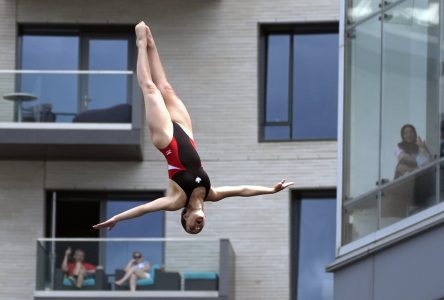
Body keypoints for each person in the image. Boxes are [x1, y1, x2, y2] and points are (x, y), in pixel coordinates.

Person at [93, 22, 293, 234]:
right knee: (166, 87)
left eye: (191, 227)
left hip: (167, 141)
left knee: (150, 89)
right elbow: (242, 190)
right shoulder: (211, 194)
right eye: (200, 228)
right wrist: (271, 190)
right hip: (187, 135)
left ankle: (141, 44)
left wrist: (116, 218)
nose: (197, 226)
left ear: (185, 216)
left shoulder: (176, 201)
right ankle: (151, 43)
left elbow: (144, 208)